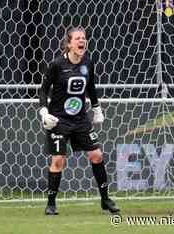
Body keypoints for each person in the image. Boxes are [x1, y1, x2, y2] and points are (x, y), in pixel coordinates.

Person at [39, 26, 120, 215]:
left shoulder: (88, 64)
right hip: (59, 120)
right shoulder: (57, 65)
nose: (82, 41)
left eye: (84, 38)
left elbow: (91, 87)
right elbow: (43, 90)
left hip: (81, 119)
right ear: (69, 44)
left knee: (97, 155)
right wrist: (44, 112)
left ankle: (105, 199)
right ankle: (51, 203)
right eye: (77, 38)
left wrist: (97, 109)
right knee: (58, 160)